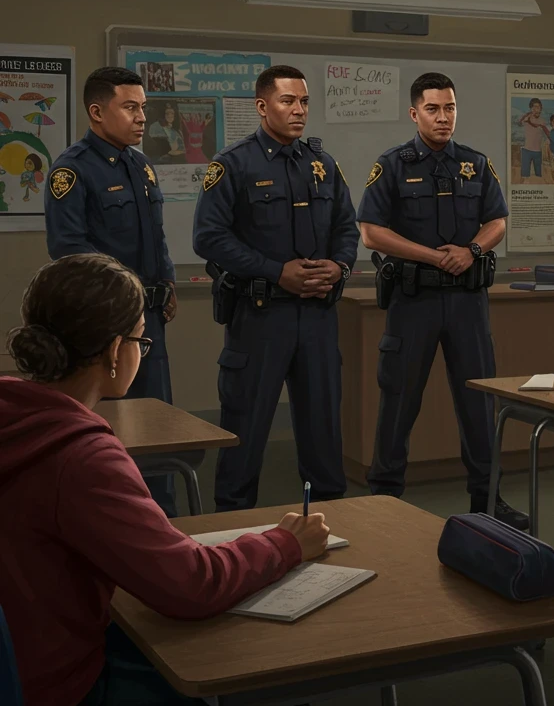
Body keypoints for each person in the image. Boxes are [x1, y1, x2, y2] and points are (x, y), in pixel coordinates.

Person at [0, 253, 330, 706]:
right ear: (117, 352)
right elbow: (193, 586)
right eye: (142, 339)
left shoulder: (17, 414)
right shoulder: (80, 457)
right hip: (58, 685)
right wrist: (285, 544)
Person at [358, 72, 528, 530]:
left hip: (468, 302)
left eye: (450, 108)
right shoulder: (392, 165)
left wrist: (471, 250)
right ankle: (385, 498)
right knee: (399, 400)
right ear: (415, 114)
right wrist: (434, 256)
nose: (443, 117)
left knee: (478, 402)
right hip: (413, 301)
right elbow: (372, 231)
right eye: (433, 109)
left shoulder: (475, 163)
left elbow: (498, 220)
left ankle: (487, 499)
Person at [193, 65, 358, 512]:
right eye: (288, 101)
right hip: (261, 316)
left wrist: (339, 265)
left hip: (318, 317)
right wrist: (274, 270)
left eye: (304, 101)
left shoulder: (321, 164)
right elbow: (208, 238)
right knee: (244, 435)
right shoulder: (234, 164)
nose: (299, 110)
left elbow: (347, 226)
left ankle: (334, 524)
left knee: (324, 435)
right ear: (263, 106)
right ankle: (232, 534)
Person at [45, 66, 179, 516]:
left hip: (150, 320)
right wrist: (124, 296)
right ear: (97, 112)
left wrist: (168, 282)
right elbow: (69, 251)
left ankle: (164, 519)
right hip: (107, 326)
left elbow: (155, 238)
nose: (142, 117)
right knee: (110, 428)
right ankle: (116, 518)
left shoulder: (140, 165)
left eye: (144, 108)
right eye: (131, 107)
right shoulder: (73, 170)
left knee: (157, 424)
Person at [518, 98, 549, 181]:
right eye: (533, 107)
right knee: (525, 175)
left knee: (538, 175)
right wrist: (528, 115)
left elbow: (540, 128)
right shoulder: (526, 117)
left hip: (538, 152)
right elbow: (519, 123)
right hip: (526, 150)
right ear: (531, 108)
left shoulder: (542, 120)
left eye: (538, 107)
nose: (535, 109)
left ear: (541, 109)